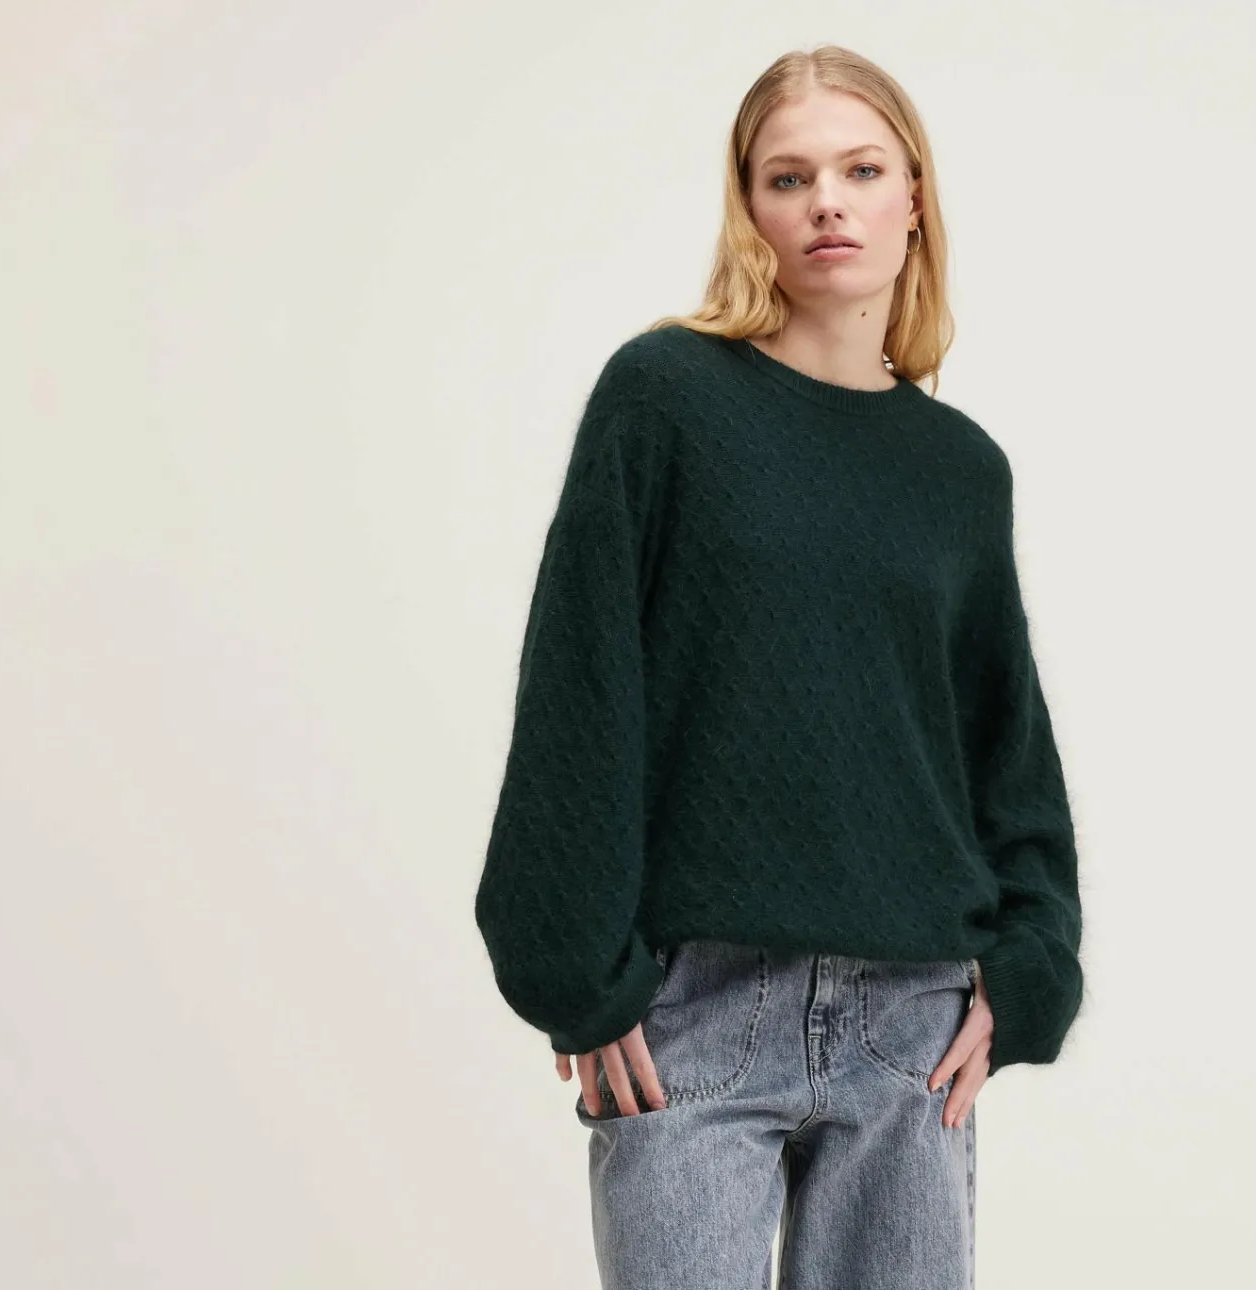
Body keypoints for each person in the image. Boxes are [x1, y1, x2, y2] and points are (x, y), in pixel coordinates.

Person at [474, 44, 1084, 1290]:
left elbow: (999, 743)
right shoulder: (664, 398)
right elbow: (580, 684)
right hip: (692, 1009)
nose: (826, 204)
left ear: (913, 195)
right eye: (787, 177)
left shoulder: (958, 468)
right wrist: (575, 972)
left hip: (912, 1024)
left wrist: (1028, 973)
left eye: (860, 171)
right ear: (747, 206)